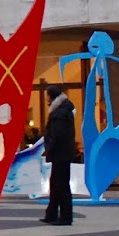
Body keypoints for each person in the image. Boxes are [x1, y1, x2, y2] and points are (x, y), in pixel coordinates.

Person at [42, 85, 78, 226]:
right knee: (56, 184)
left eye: (47, 95)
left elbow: (57, 135)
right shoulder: (63, 110)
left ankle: (65, 217)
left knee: (61, 186)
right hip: (62, 154)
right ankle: (51, 214)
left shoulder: (59, 113)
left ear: (51, 96)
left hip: (60, 154)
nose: (46, 98)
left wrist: (48, 149)